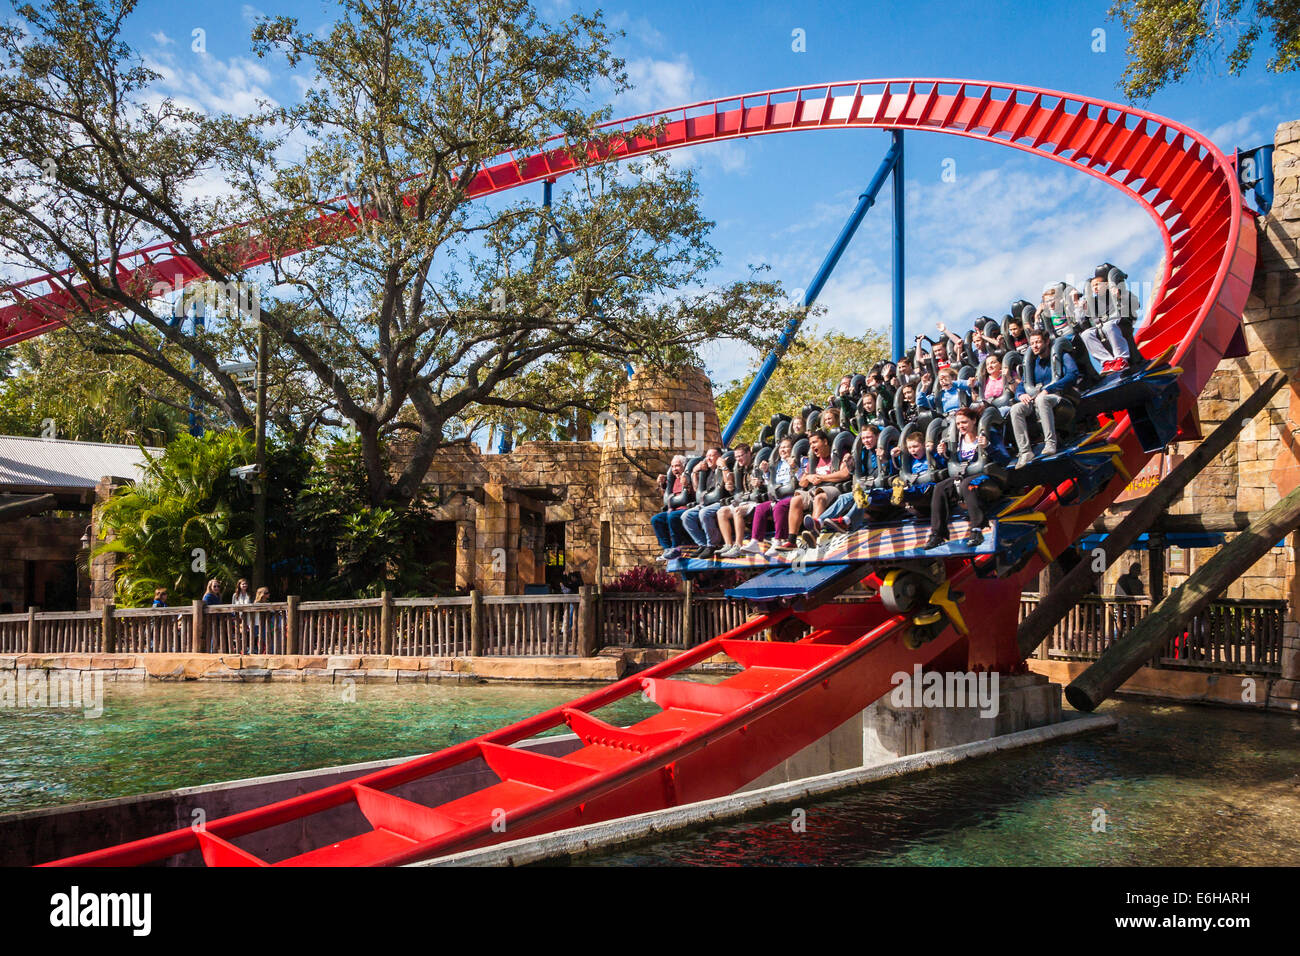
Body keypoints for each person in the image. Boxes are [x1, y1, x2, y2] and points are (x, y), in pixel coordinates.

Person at [924, 407, 1011, 549]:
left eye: (964, 422)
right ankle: (938, 534)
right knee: (940, 488)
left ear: (974, 420)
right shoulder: (957, 440)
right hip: (963, 476)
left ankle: (977, 529)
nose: (961, 426)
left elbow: (1005, 459)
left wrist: (988, 446)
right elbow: (947, 465)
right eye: (958, 424)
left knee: (967, 485)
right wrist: (943, 454)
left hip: (987, 477)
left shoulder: (989, 434)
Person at [1009, 329, 1079, 465]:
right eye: (1032, 343)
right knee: (1016, 409)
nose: (1034, 346)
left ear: (1046, 342)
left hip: (1059, 398)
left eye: (1038, 342)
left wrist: (1049, 389)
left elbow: (1072, 374)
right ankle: (1025, 452)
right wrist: (1020, 394)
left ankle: (1051, 443)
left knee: (1042, 399)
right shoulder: (1034, 364)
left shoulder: (1061, 355)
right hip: (1037, 400)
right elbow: (1022, 385)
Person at [652, 455, 693, 560]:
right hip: (673, 510)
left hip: (687, 509)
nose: (675, 469)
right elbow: (666, 498)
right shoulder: (672, 480)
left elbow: (695, 493)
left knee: (672, 517)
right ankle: (667, 549)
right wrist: (662, 485)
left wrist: (687, 485)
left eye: (677, 466)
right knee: (656, 519)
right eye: (673, 466)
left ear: (684, 466)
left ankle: (676, 548)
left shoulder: (690, 476)